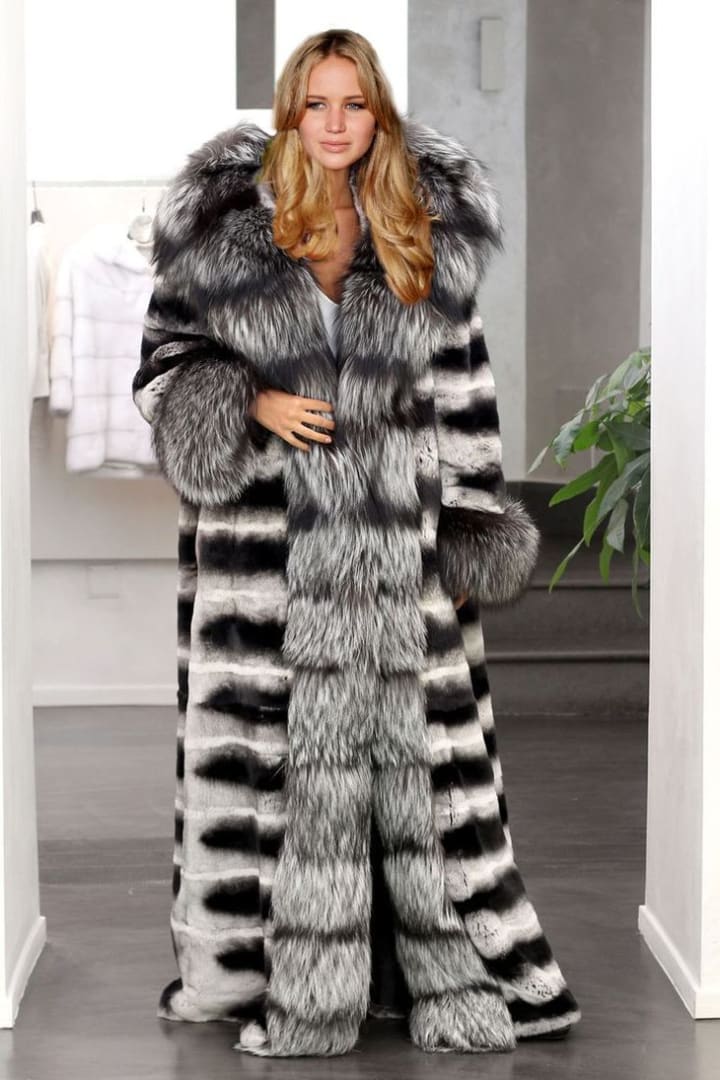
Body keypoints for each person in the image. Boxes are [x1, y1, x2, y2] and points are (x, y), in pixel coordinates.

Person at [131, 26, 581, 1059]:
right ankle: (267, 974)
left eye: (356, 104)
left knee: (422, 772)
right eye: (316, 105)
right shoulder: (219, 237)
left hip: (399, 549)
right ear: (290, 112)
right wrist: (252, 402)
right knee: (271, 770)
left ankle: (418, 971)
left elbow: (465, 400)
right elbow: (160, 377)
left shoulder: (423, 232)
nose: (335, 125)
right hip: (268, 557)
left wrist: (468, 536)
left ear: (379, 114)